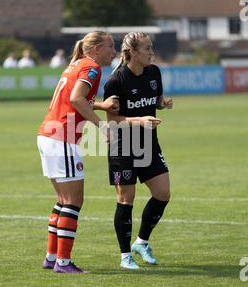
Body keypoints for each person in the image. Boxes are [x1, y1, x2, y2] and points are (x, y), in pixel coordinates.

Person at [37, 31, 119, 273]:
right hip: (62, 137)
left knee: (63, 201)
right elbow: (76, 99)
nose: (113, 51)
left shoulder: (76, 64)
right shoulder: (92, 67)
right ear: (94, 49)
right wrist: (102, 124)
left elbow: (75, 98)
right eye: (110, 46)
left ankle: (52, 257)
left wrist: (101, 104)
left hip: (48, 135)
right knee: (74, 201)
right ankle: (63, 262)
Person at [103, 32, 173, 270]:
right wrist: (139, 121)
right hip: (123, 145)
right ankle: (125, 257)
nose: (151, 52)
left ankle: (141, 242)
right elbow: (111, 121)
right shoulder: (116, 81)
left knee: (163, 193)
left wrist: (162, 103)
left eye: (151, 47)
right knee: (126, 200)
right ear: (133, 52)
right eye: (146, 48)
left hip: (149, 143)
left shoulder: (154, 73)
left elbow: (153, 100)